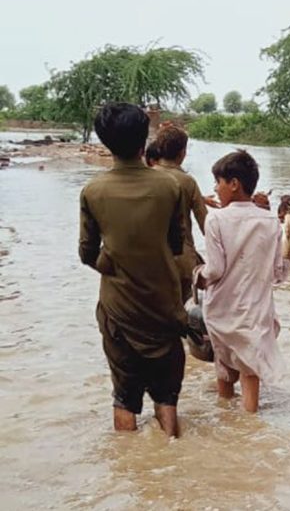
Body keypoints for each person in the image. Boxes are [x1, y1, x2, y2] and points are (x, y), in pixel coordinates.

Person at [79, 103, 187, 436]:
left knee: (124, 398)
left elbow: (86, 253)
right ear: (145, 140)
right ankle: (173, 459)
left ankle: (130, 472)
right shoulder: (170, 187)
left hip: (119, 310)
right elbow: (176, 245)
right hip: (164, 307)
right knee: (167, 395)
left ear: (106, 144)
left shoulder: (93, 191)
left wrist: (111, 264)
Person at [197, 150, 286, 412]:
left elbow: (214, 270)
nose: (215, 188)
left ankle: (226, 419)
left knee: (223, 368)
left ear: (234, 184)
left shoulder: (215, 218)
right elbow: (277, 271)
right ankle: (251, 425)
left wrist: (197, 275)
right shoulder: (271, 220)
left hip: (222, 307)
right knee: (250, 369)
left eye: (218, 182)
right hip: (256, 309)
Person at [152, 124, 207, 302]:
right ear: (183, 153)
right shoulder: (188, 182)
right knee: (183, 313)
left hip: (149, 260)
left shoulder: (144, 177)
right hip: (182, 259)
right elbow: (207, 225)